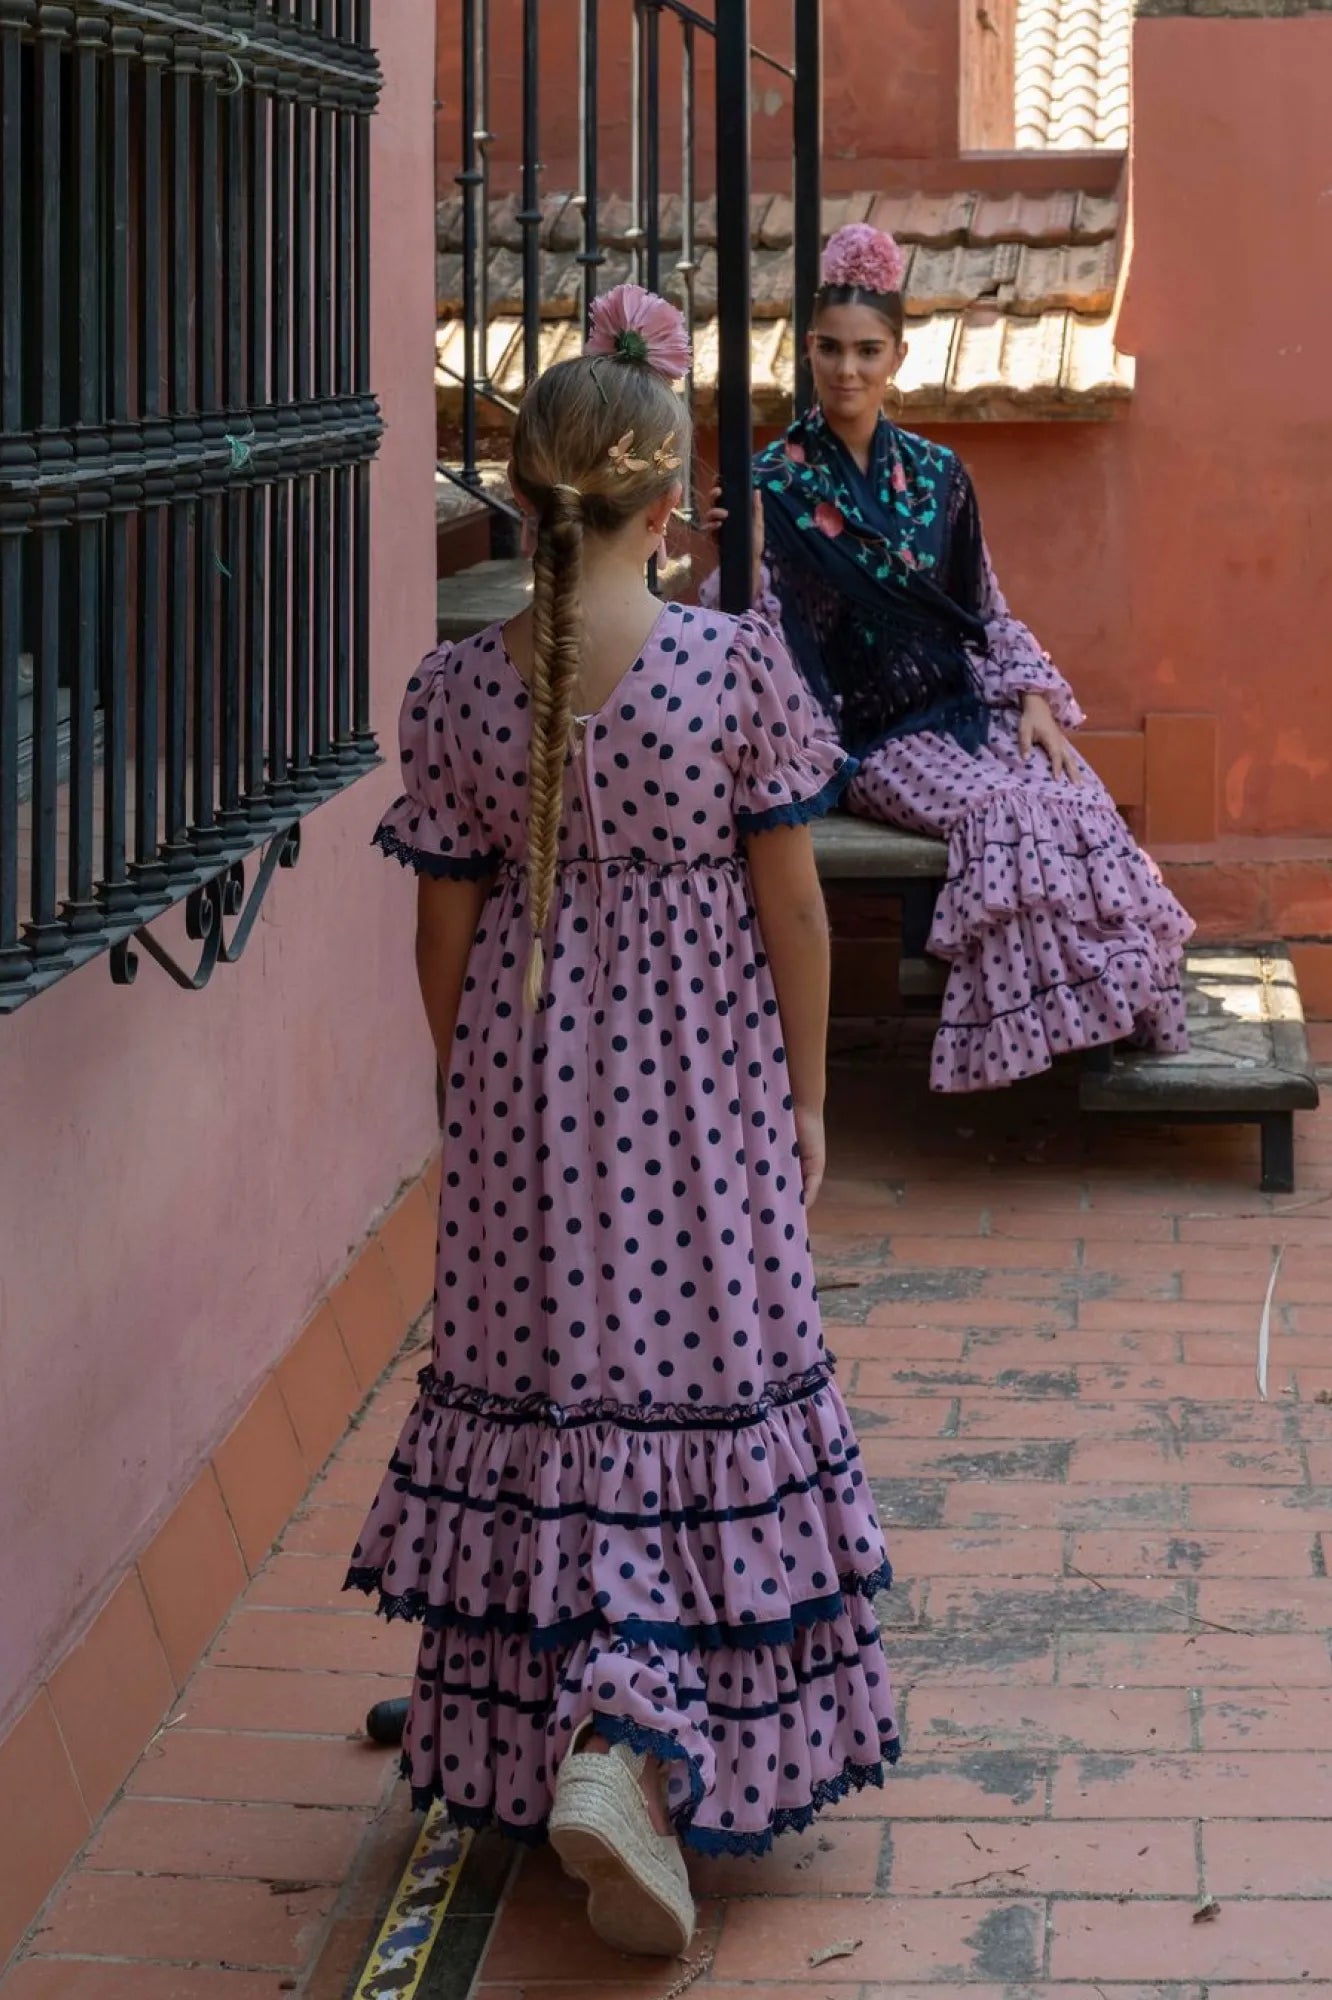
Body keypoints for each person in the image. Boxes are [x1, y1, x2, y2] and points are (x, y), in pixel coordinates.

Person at [347, 285, 899, 1960]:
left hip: (524, 1097)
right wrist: (803, 1099)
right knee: (701, 1381)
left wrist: (478, 1096)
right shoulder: (729, 672)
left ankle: (570, 1725)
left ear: (521, 501)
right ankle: (637, 1742)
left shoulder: (458, 692)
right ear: (668, 505)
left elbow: (439, 937)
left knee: (549, 1390)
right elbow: (793, 914)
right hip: (702, 1092)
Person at [705, 223, 1193, 1093]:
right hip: (873, 738)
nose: (846, 371)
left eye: (866, 351)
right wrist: (738, 556)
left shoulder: (941, 474)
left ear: (898, 354)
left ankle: (1107, 1008)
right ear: (807, 350)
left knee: (1074, 796)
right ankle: (1050, 1024)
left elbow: (984, 608)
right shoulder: (771, 485)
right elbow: (746, 632)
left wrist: (1034, 697)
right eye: (829, 350)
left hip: (969, 706)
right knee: (1010, 810)